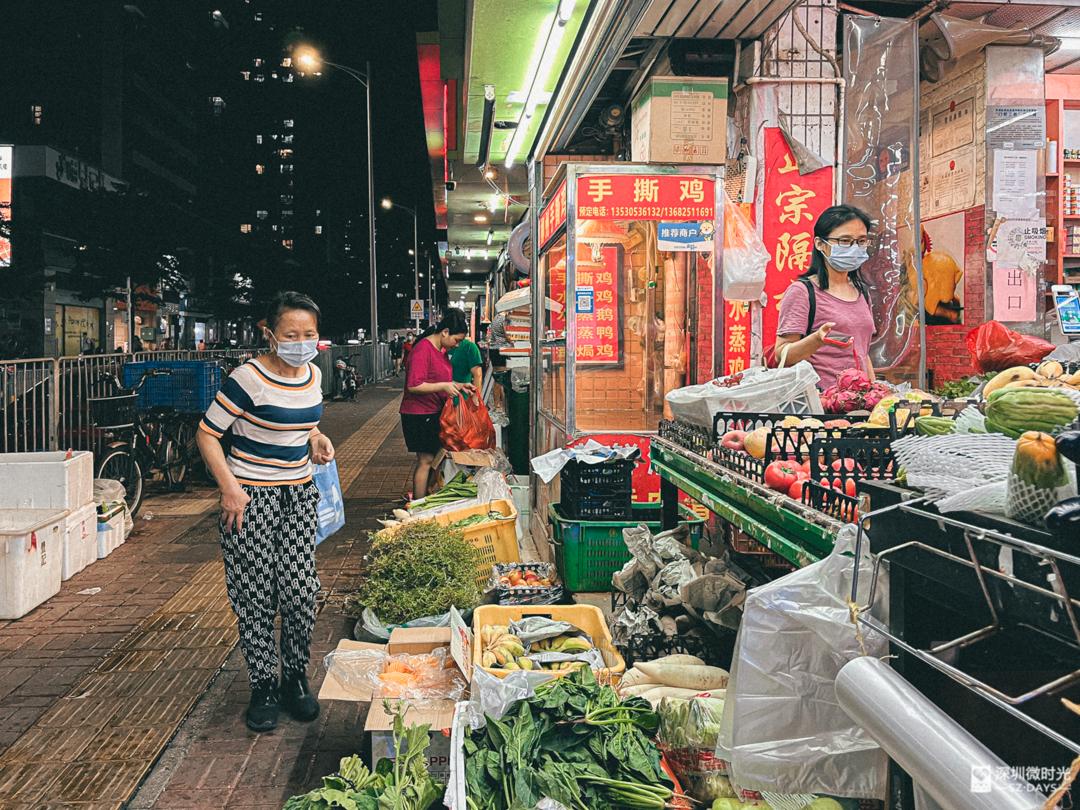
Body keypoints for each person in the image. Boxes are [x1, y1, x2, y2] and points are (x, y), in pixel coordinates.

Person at [196, 291, 335, 733]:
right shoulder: (247, 377)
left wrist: (315, 436)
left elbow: (302, 418)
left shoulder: (312, 374)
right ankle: (263, 686)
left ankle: (294, 677)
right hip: (250, 499)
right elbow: (207, 433)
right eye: (291, 334)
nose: (301, 342)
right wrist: (230, 489)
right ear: (270, 333)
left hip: (298, 495)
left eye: (309, 334)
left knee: (300, 592)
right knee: (254, 595)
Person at [774, 204, 877, 390]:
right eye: (845, 241)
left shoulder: (862, 292)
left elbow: (863, 352)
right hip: (820, 404)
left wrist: (874, 390)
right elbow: (781, 354)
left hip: (858, 403)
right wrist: (816, 340)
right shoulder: (803, 291)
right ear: (820, 244)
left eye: (861, 241)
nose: (854, 248)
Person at [400, 309, 473, 500]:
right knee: (426, 460)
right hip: (418, 415)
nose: (456, 346)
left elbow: (438, 379)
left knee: (434, 459)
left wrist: (459, 385)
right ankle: (418, 504)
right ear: (445, 332)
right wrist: (445, 386)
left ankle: (426, 499)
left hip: (432, 412)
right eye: (456, 340)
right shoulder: (423, 349)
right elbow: (414, 385)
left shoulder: (439, 351)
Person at [449, 333, 483, 398]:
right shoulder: (439, 346)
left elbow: (478, 375)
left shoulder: (469, 346)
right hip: (440, 399)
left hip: (461, 399)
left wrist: (475, 399)